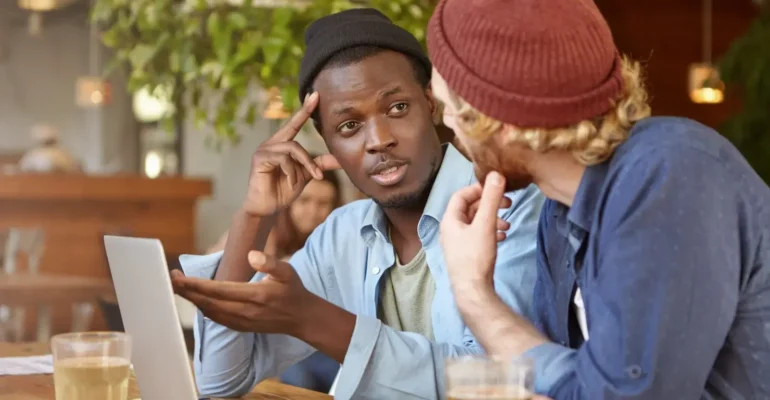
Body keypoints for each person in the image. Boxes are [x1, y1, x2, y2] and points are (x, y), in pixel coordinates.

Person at [170, 8, 545, 399]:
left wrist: (317, 321)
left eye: (397, 107)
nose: (378, 139)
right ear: (327, 142)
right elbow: (221, 383)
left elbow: (500, 382)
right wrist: (256, 216)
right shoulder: (341, 236)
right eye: (349, 126)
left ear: (431, 103)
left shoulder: (507, 206)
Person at [428, 0, 770, 399]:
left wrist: (472, 292)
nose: (446, 124)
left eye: (450, 110)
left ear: (500, 123)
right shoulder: (558, 214)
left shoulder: (671, 175)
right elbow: (567, 385)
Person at [206, 168, 344, 393]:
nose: (312, 211)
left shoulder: (337, 244)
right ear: (288, 203)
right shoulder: (267, 234)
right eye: (305, 201)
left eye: (323, 203)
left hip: (316, 347)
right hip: (264, 344)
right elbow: (212, 271)